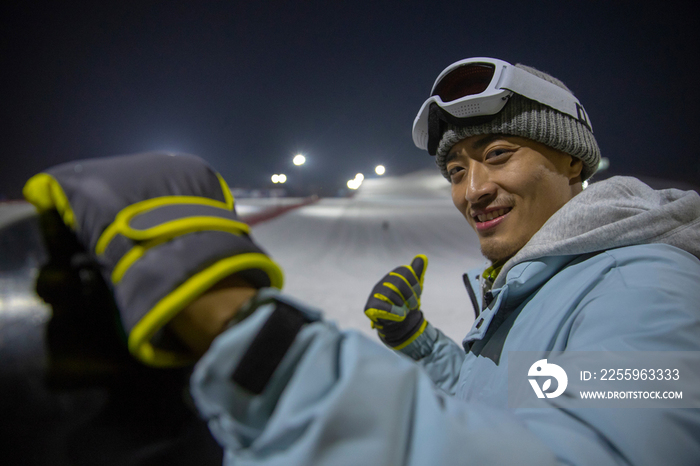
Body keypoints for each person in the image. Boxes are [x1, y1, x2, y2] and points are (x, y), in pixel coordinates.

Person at [22, 57, 700, 465]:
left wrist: (248, 336)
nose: (474, 190)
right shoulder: (555, 279)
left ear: (572, 161)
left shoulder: (650, 284)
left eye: (499, 156)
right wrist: (426, 348)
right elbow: (539, 395)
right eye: (456, 169)